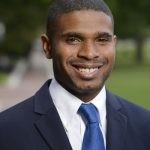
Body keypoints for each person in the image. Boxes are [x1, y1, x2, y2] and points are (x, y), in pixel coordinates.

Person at [0, 0, 150, 150]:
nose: (89, 53)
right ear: (47, 46)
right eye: (73, 40)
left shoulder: (145, 125)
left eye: (102, 40)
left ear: (113, 44)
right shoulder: (6, 131)